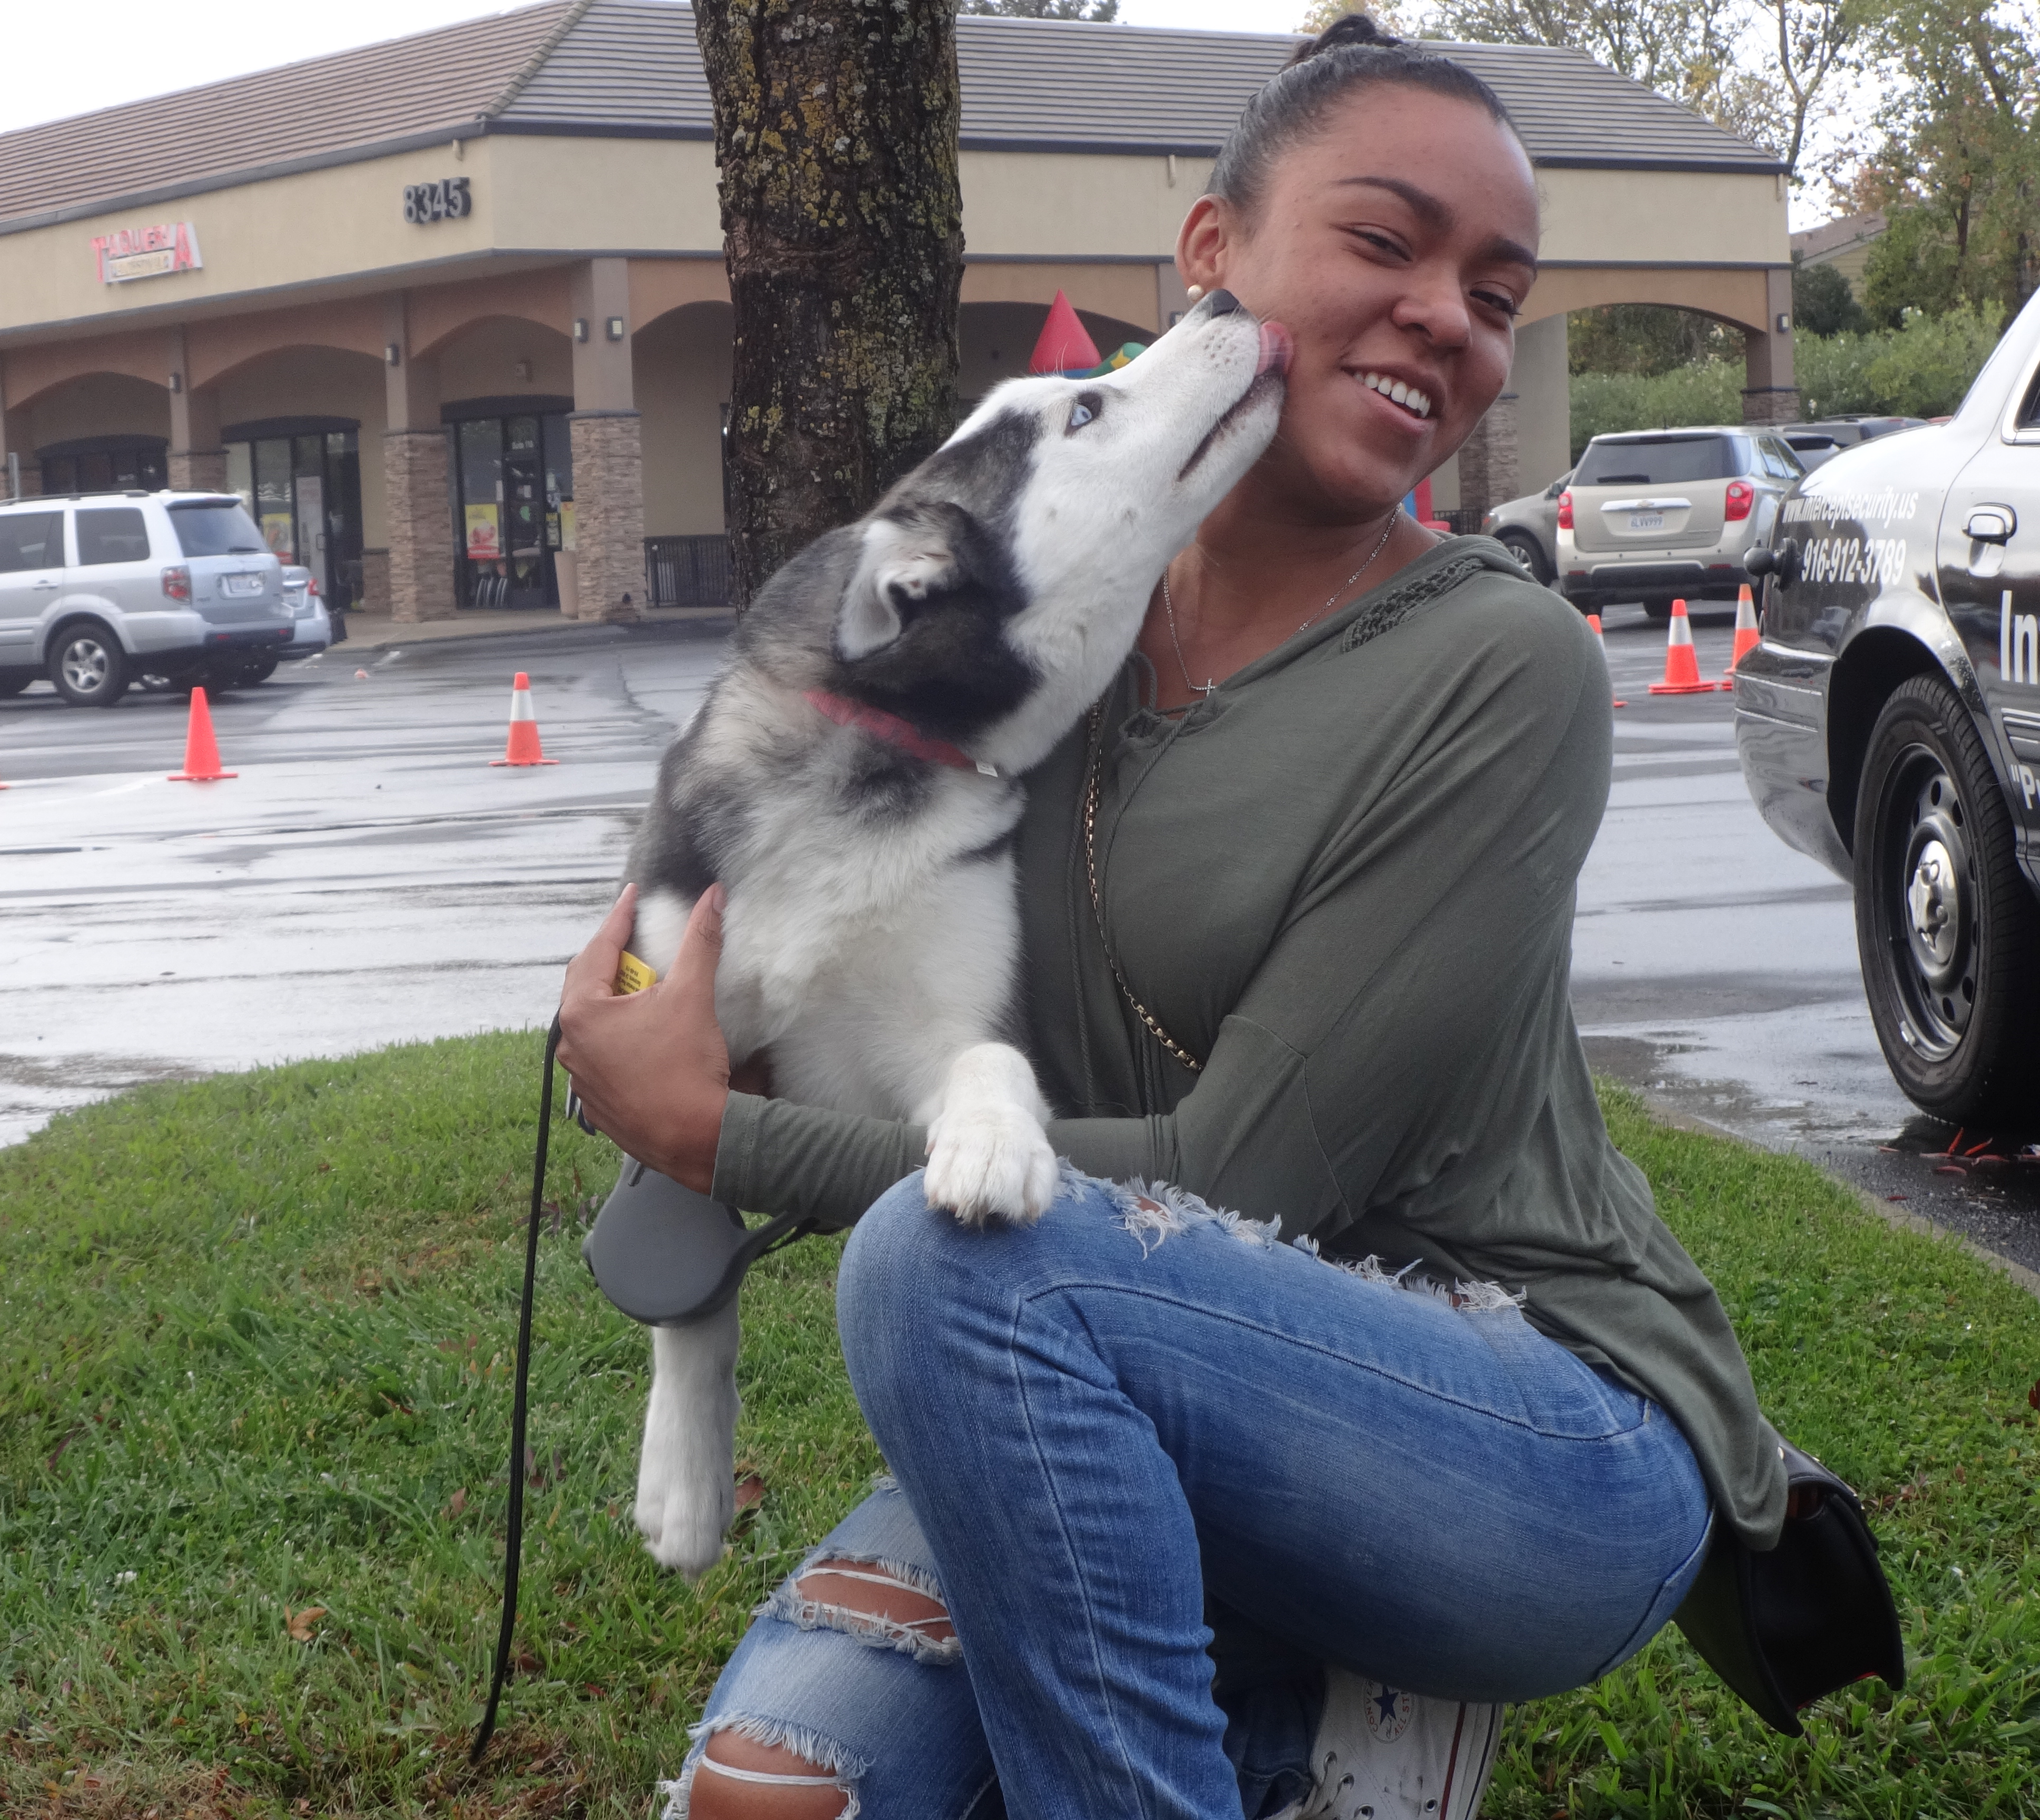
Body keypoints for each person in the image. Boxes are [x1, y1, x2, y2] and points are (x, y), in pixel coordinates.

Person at [556, 17, 1786, 1819]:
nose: (1449, 313)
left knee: (942, 1259)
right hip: (1125, 1372)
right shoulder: (1026, 662)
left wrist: (710, 1133)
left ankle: (1344, 1683)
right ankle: (1260, 1648)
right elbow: (758, 925)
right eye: (1386, 242)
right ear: (1213, 259)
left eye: (1496, 289)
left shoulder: (1498, 665)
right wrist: (660, 1010)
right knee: (771, 1798)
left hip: (1522, 1426)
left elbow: (1235, 1171)